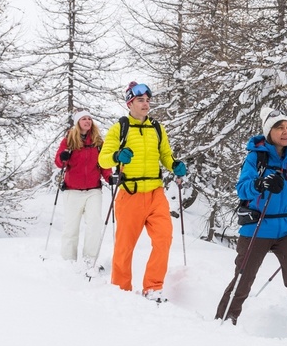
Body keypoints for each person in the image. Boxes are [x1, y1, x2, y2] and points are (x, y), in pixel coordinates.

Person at [215, 107, 287, 340]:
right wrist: (261, 183)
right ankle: (223, 323)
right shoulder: (256, 157)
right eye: (279, 127)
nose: (285, 132)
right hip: (257, 226)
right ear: (268, 131)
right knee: (244, 277)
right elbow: (242, 188)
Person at [98, 81, 187, 302]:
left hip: (156, 193)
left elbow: (165, 154)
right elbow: (103, 158)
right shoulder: (120, 128)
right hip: (130, 192)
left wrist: (174, 164)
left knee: (164, 238)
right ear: (130, 103)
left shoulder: (157, 127)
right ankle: (121, 289)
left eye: (147, 100)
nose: (146, 104)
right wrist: (117, 156)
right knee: (125, 246)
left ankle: (152, 288)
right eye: (140, 100)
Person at [54, 110, 113, 271]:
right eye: (83, 119)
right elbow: (59, 162)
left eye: (89, 119)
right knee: (71, 227)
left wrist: (109, 177)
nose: (87, 121)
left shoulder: (98, 142)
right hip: (72, 190)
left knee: (94, 224)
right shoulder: (69, 140)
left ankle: (89, 261)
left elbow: (104, 164)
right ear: (77, 122)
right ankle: (68, 261)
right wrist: (63, 157)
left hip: (93, 190)